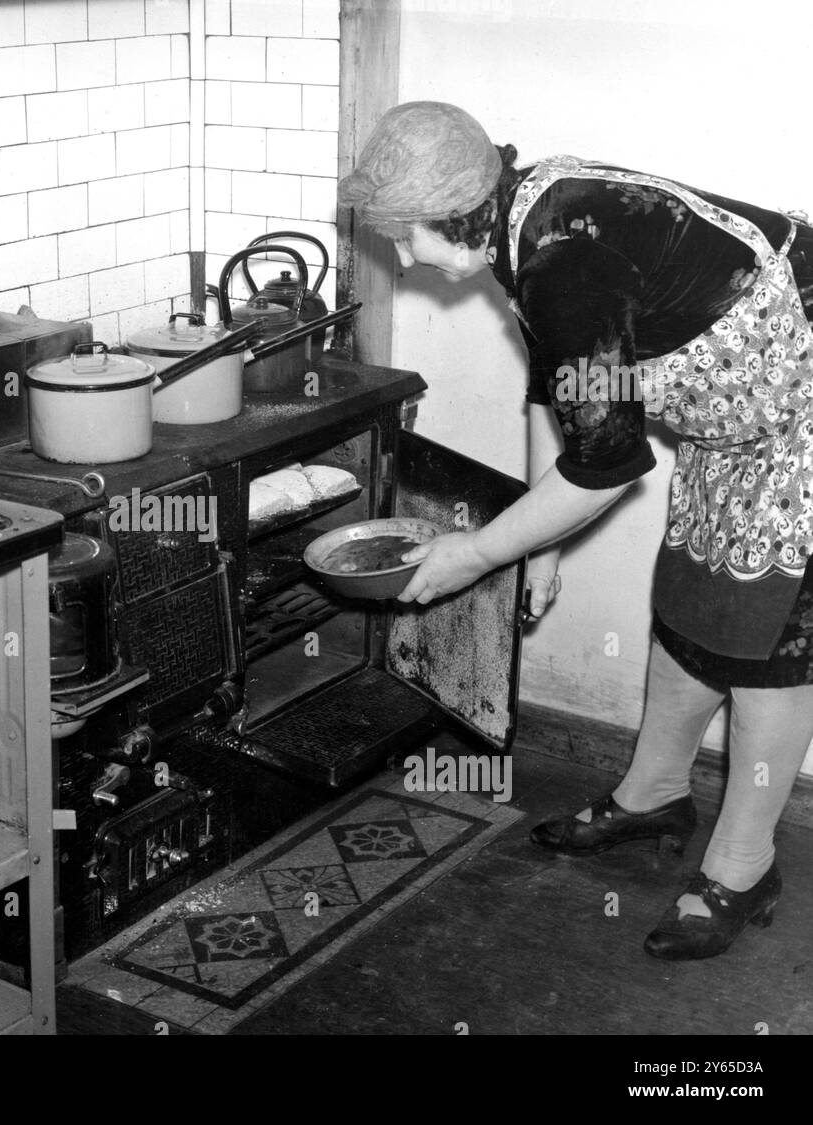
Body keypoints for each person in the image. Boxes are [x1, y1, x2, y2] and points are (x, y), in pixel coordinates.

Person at [339, 101, 813, 960]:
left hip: (801, 402)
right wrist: (544, 548)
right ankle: (657, 792)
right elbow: (555, 387)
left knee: (774, 638)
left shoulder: (562, 258)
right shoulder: (525, 214)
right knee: (691, 597)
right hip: (744, 414)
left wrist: (478, 553)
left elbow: (607, 463)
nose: (404, 260)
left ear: (453, 213)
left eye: (406, 238)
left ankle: (746, 865)